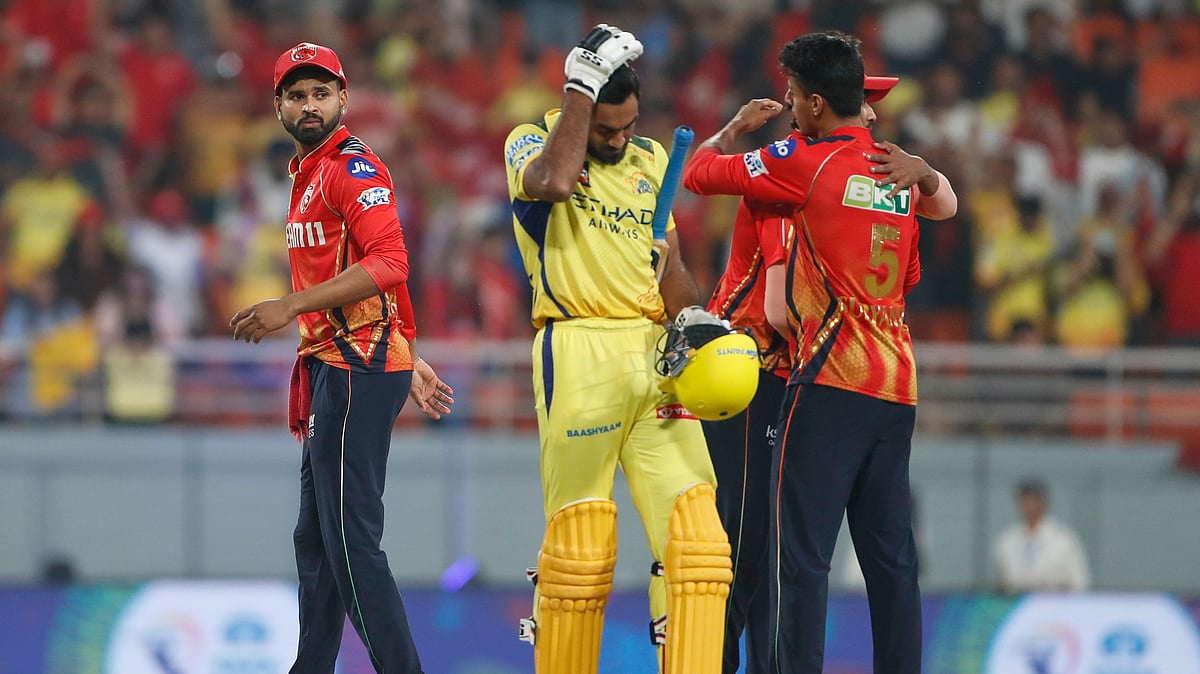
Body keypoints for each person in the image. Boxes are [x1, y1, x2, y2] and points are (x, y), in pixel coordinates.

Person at [682, 31, 957, 674]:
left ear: (808, 106)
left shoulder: (802, 161)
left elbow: (700, 176)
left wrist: (731, 134)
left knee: (797, 555)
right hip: (896, 385)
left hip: (829, 379)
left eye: (791, 96)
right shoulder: (898, 170)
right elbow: (909, 271)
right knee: (892, 557)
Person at [502, 24, 733, 674]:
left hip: (654, 353)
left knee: (700, 546)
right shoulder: (531, 143)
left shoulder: (653, 160)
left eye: (628, 127)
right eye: (606, 129)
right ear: (579, 105)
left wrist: (695, 321)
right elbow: (550, 182)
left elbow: (670, 267)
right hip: (577, 344)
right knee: (582, 548)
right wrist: (581, 85)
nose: (619, 140)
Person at [229, 42, 455, 674]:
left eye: (321, 93)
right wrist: (410, 351)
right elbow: (380, 272)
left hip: (355, 366)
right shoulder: (308, 171)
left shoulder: (352, 169)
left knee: (351, 545)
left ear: (343, 99)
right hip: (344, 363)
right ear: (278, 105)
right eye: (297, 95)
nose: (309, 105)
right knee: (317, 542)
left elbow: (390, 263)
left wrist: (287, 305)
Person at [993, 477, 1091, 593]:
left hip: (1053, 604)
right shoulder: (1006, 540)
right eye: (1025, 499)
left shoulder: (1063, 539)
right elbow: (1002, 580)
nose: (1029, 505)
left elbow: (1080, 582)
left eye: (1034, 499)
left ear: (1044, 502)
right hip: (1018, 604)